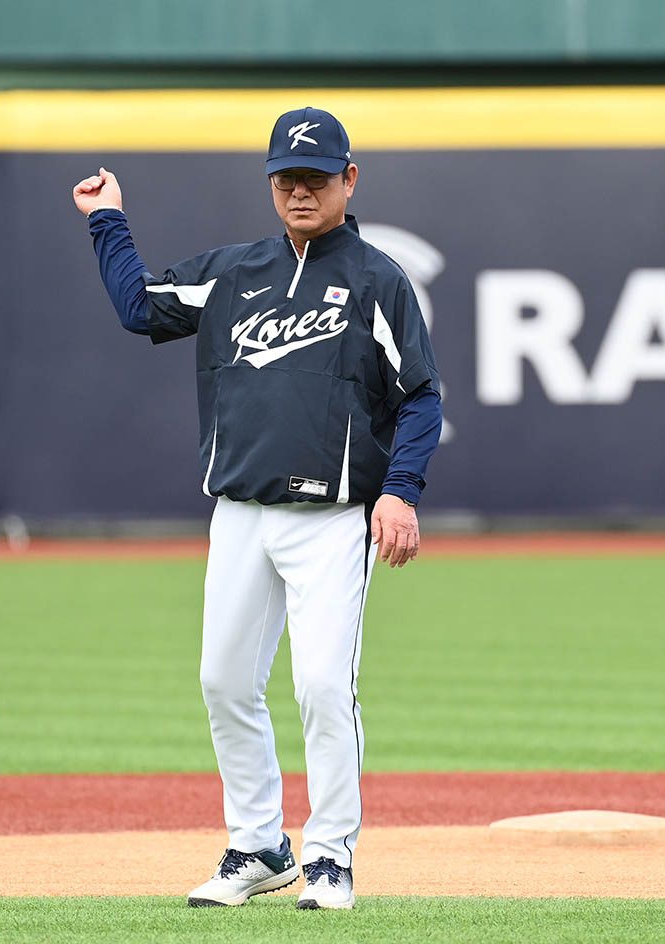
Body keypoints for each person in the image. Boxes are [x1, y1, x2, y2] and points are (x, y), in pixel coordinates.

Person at [72, 107, 442, 910]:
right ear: (270, 184)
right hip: (239, 511)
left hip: (332, 519)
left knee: (319, 687)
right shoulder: (233, 272)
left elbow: (420, 395)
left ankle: (331, 856)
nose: (300, 191)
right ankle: (258, 845)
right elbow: (140, 308)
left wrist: (401, 493)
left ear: (350, 179)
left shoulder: (378, 279)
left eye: (316, 177)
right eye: (286, 178)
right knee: (223, 681)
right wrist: (107, 219)